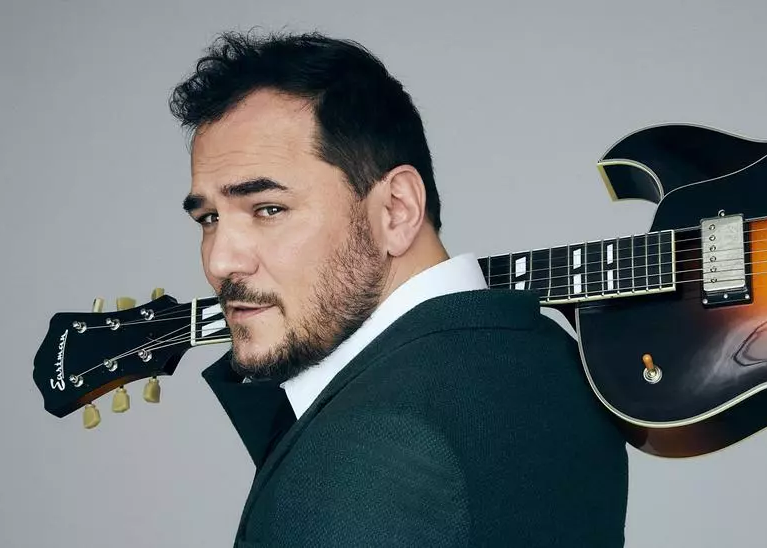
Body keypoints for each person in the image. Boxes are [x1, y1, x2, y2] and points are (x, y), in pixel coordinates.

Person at [169, 29, 630, 547]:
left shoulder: (366, 454)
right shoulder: (556, 359)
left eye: (268, 209)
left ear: (396, 210)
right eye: (208, 218)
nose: (219, 261)